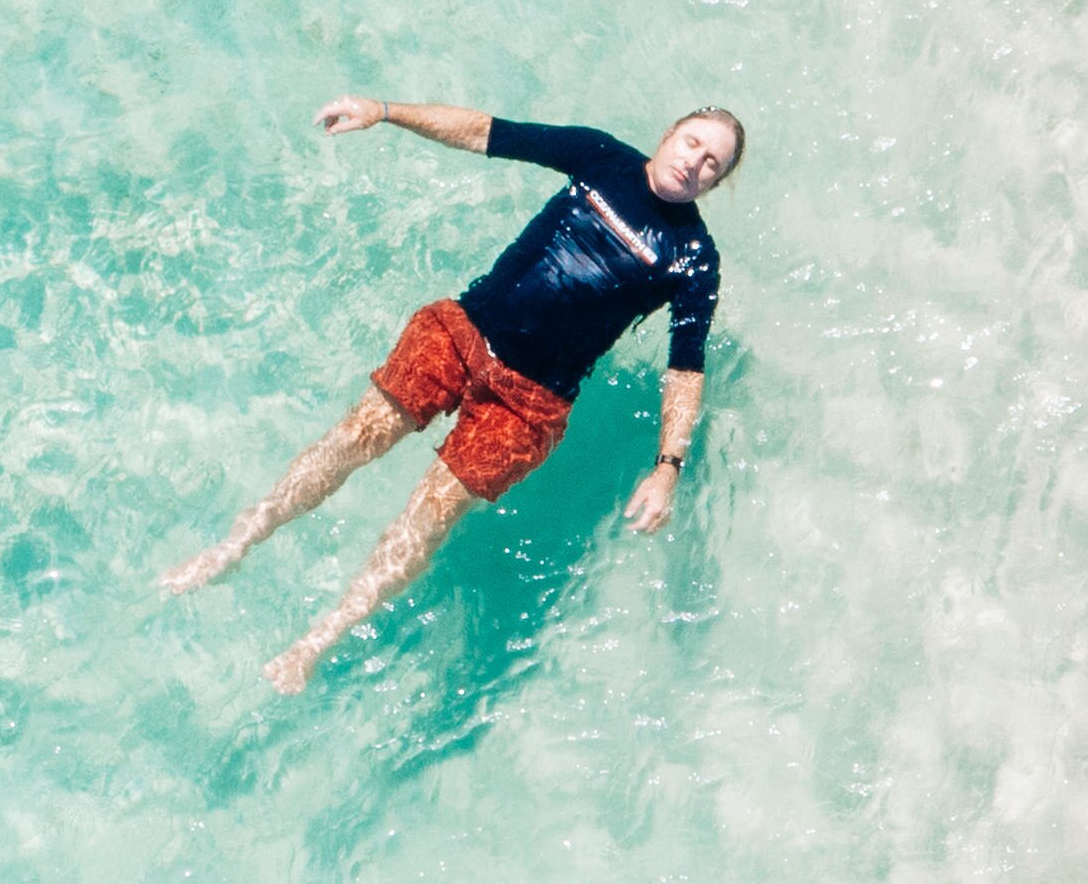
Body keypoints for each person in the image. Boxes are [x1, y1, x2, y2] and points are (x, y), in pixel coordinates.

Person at [164, 97, 743, 690]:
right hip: (460, 332)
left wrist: (667, 466)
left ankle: (314, 643)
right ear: (669, 134)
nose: (696, 163)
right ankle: (229, 549)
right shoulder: (600, 157)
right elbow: (487, 132)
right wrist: (385, 111)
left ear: (716, 183)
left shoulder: (694, 259)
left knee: (432, 512)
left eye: (713, 165)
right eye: (693, 144)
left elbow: (686, 368)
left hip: (529, 402)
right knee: (355, 438)